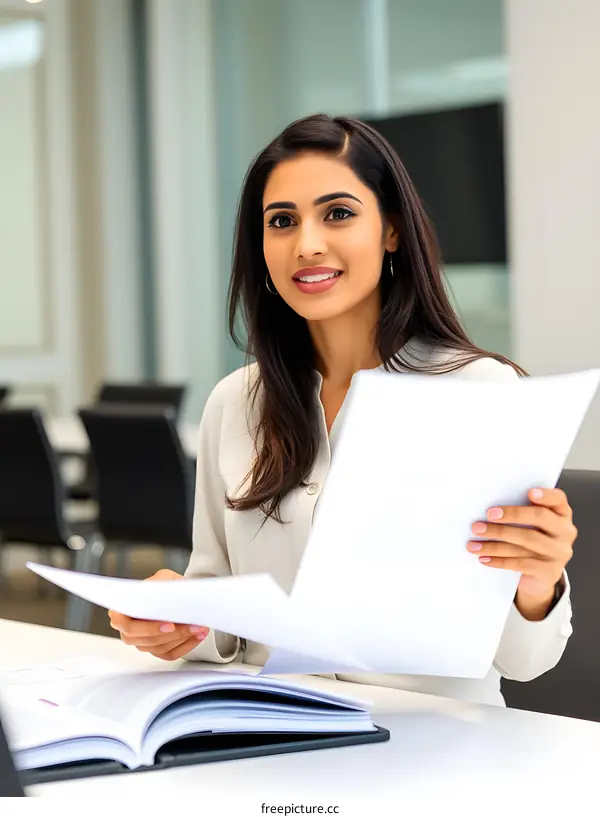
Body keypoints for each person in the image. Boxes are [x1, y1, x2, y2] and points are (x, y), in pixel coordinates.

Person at [109, 114, 576, 706]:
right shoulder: (235, 401)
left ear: (393, 231)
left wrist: (537, 581)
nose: (306, 244)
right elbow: (223, 617)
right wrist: (176, 618)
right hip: (272, 732)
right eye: (282, 221)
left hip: (432, 750)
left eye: (338, 213)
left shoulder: (483, 393)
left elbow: (528, 661)